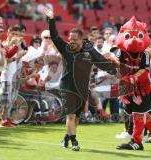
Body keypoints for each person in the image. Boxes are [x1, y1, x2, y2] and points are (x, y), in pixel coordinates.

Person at [42, 6, 118, 151]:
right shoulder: (65, 49)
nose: (71, 41)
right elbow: (55, 36)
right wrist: (51, 20)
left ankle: (66, 137)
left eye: (75, 39)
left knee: (76, 118)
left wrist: (115, 70)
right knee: (70, 116)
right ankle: (74, 142)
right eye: (70, 39)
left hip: (82, 88)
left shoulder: (89, 51)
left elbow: (101, 60)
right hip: (67, 87)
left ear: (82, 40)